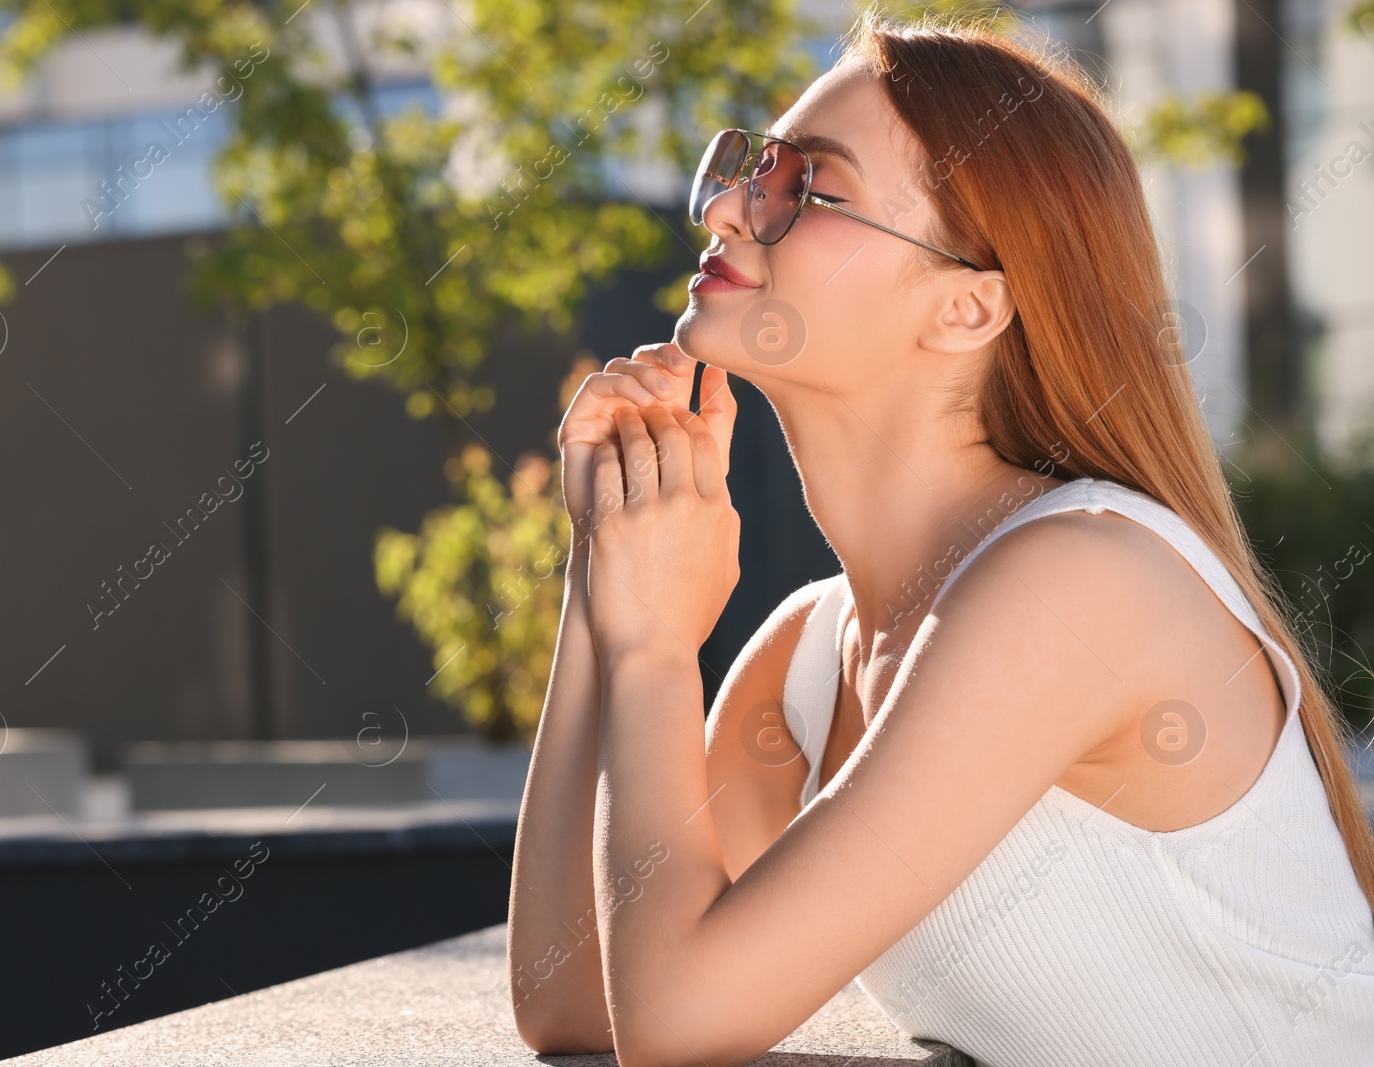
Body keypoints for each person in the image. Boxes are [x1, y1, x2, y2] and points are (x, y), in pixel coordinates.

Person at [507, 11, 1374, 1067]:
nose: (731, 206)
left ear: (968, 308)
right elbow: (572, 1000)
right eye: (753, 166)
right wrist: (608, 580)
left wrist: (653, 649)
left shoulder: (1082, 581)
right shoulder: (810, 657)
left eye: (810, 189)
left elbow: (674, 1022)